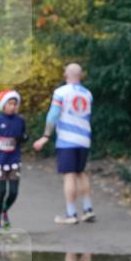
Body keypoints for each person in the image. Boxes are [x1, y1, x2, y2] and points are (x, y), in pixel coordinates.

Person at [32, 63, 95, 224]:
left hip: (67, 140)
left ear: (66, 75)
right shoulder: (88, 94)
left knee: (69, 175)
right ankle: (88, 209)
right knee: (81, 173)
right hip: (84, 139)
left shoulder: (61, 92)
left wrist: (46, 136)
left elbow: (53, 115)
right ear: (81, 75)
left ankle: (71, 213)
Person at [0, 89, 27, 235]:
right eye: (10, 104)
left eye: (15, 104)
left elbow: (24, 136)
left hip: (14, 160)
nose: (12, 107)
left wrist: (21, 138)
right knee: (2, 191)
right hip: (0, 161)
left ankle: (4, 210)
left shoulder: (20, 120)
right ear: (3, 105)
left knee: (14, 192)